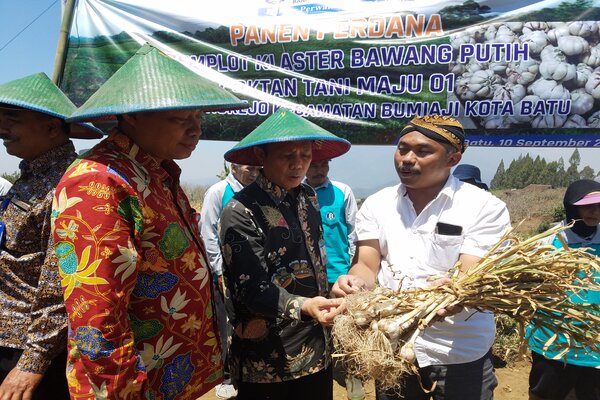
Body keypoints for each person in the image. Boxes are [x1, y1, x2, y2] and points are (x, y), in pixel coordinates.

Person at [52, 43, 248, 399]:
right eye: (180, 119)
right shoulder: (100, 181)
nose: (195, 130)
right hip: (135, 385)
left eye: (198, 118)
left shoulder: (156, 175)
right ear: (134, 115)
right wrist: (122, 389)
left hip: (172, 374)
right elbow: (97, 313)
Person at [332, 115, 511, 400]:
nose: (407, 159)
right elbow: (367, 264)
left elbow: (470, 275)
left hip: (457, 350)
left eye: (422, 151)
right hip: (391, 345)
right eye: (402, 148)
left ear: (453, 158)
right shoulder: (377, 204)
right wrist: (353, 284)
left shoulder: (485, 207)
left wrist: (455, 293)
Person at [219, 108, 350, 400]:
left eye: (305, 155)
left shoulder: (308, 197)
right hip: (269, 356)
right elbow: (251, 289)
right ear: (262, 157)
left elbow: (317, 261)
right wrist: (304, 307)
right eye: (287, 155)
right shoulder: (240, 210)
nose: (298, 164)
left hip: (316, 344)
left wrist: (333, 288)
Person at [0, 72, 101, 399]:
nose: (2, 127)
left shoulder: (67, 186)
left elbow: (59, 280)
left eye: (12, 118)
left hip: (29, 349)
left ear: (51, 127)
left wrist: (32, 362)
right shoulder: (30, 177)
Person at [527, 179, 600, 400]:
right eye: (587, 206)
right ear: (571, 206)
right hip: (551, 343)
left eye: (599, 207)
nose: (595, 212)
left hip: (594, 348)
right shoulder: (548, 241)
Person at [200, 163, 260, 399]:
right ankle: (226, 376)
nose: (254, 173)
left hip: (252, 272)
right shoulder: (218, 192)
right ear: (234, 166)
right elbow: (208, 232)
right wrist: (219, 270)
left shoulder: (258, 191)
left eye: (258, 168)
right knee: (226, 324)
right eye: (249, 168)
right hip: (225, 273)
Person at [304, 160, 363, 400]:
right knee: (314, 331)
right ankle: (315, 379)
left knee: (349, 330)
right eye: (315, 165)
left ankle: (354, 381)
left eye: (324, 165)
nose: (319, 169)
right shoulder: (296, 192)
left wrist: (350, 268)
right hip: (307, 277)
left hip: (339, 276)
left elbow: (353, 231)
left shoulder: (342, 191)